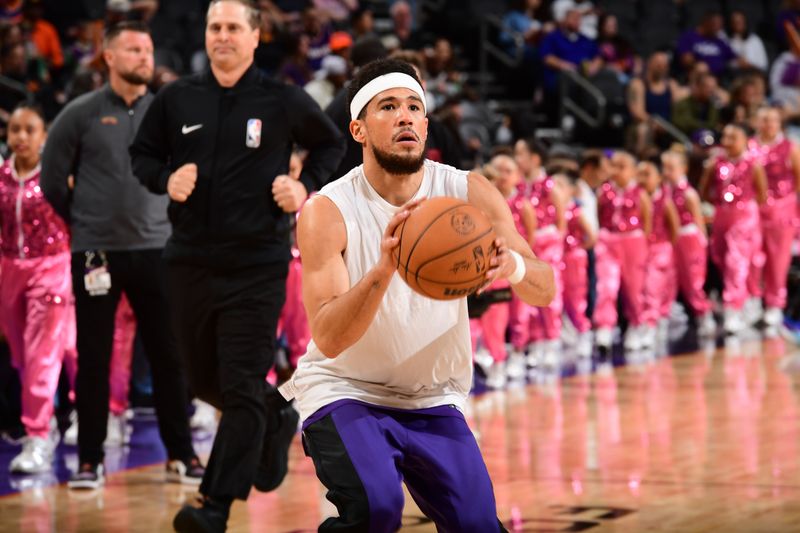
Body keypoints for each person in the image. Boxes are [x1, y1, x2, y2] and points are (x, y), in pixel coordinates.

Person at [279, 57, 554, 532]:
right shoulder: (327, 210)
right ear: (359, 129)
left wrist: (508, 263)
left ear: (426, 124)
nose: (405, 116)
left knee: (478, 526)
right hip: (345, 390)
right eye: (388, 107)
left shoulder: (467, 192)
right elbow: (328, 335)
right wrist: (385, 269)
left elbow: (545, 288)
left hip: (432, 396)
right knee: (376, 508)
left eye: (413, 107)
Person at [128, 1, 345, 530]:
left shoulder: (283, 99)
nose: (222, 36)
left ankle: (214, 504)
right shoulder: (177, 97)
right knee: (202, 381)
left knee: (242, 382)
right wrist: (164, 180)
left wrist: (302, 185)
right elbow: (143, 155)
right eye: (214, 27)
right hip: (187, 261)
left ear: (254, 36)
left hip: (256, 262)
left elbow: (330, 143)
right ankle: (274, 416)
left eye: (232, 27)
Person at [40, 21, 203, 491]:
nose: (144, 57)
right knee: (93, 356)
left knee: (169, 355)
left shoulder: (167, 113)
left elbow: (189, 177)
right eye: (133, 49)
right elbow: (52, 181)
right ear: (108, 56)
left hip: (158, 248)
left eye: (148, 49)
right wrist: (85, 224)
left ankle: (182, 454)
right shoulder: (80, 113)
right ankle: (89, 461)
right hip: (96, 252)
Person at [0, 104, 71, 475]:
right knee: (23, 356)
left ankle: (38, 435)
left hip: (53, 268)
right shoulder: (1, 177)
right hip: (10, 271)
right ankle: (53, 422)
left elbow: (78, 220)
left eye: (30, 130)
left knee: (43, 355)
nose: (21, 137)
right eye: (15, 129)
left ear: (45, 135)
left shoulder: (57, 176)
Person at [699, 123, 767, 334]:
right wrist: (720, 203)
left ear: (745, 140)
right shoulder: (715, 163)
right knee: (721, 258)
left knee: (736, 260)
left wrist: (743, 206)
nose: (727, 142)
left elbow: (762, 194)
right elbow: (704, 190)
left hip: (744, 214)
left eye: (733, 137)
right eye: (725, 137)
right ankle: (744, 299)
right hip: (722, 213)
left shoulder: (753, 164)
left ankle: (733, 308)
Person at [746, 107, 800, 334]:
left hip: (781, 208)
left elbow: (798, 179)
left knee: (778, 259)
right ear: (756, 122)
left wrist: (789, 205)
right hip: (753, 209)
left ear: (779, 124)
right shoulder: (749, 146)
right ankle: (752, 301)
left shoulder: (790, 147)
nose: (768, 124)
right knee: (752, 257)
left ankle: (775, 304)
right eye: (764, 120)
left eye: (772, 120)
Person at [593, 151, 652, 355]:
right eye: (613, 166)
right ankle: (604, 327)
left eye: (622, 167)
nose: (616, 171)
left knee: (634, 288)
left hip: (633, 241)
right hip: (608, 240)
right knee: (606, 286)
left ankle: (637, 324)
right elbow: (600, 216)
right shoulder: (604, 191)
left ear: (634, 171)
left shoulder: (640, 194)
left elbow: (647, 223)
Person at [661, 149, 716, 337]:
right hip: (670, 240)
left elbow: (699, 221)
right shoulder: (665, 192)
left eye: (671, 168)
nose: (667, 172)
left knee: (693, 281)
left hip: (689, 239)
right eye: (665, 168)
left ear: (683, 169)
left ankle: (704, 315)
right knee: (668, 279)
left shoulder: (688, 193)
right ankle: (666, 316)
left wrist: (702, 244)